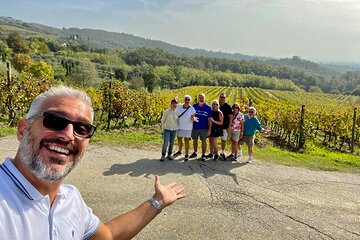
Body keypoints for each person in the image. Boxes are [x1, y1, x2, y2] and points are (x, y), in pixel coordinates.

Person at [0, 86, 186, 240]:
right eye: (55, 121)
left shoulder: (70, 200)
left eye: (82, 128)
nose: (68, 135)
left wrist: (158, 201)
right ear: (23, 130)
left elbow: (109, 235)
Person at [189, 93, 212, 161]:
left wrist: (209, 129)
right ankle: (195, 152)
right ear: (198, 99)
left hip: (204, 128)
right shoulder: (194, 106)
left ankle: (203, 154)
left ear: (204, 99)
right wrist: (193, 118)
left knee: (203, 141)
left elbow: (209, 120)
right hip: (195, 127)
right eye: (200, 98)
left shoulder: (208, 108)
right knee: (195, 140)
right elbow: (191, 116)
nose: (201, 99)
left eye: (202, 98)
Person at [173, 95, 196, 161]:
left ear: (190, 100)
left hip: (188, 128)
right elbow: (174, 103)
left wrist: (194, 119)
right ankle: (179, 151)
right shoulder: (179, 106)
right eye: (186, 99)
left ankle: (186, 154)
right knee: (179, 139)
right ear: (184, 100)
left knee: (186, 141)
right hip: (179, 126)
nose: (187, 101)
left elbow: (193, 117)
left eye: (188, 99)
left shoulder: (192, 109)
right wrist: (175, 98)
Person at [219, 93, 233, 160]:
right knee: (213, 140)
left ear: (225, 98)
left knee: (223, 140)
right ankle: (213, 152)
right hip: (216, 126)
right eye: (221, 97)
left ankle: (222, 152)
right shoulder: (216, 105)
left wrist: (229, 127)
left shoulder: (228, 106)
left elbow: (230, 118)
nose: (222, 98)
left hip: (224, 127)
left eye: (223, 97)